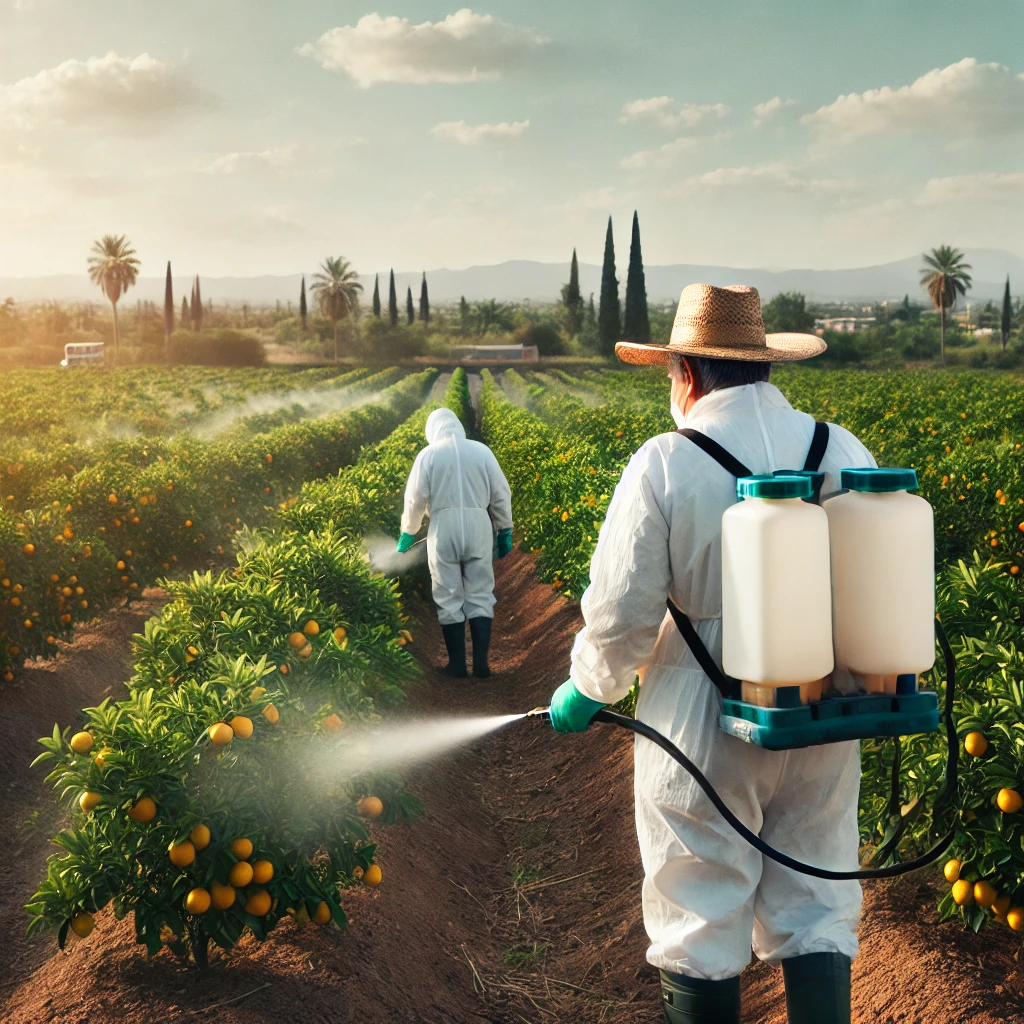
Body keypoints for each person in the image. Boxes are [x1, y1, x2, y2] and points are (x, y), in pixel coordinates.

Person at [547, 284, 876, 1024]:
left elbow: (622, 617)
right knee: (817, 894)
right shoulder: (840, 446)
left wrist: (587, 688)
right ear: (761, 366)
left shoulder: (666, 461)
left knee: (698, 906)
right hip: (824, 703)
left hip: (703, 710)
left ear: (687, 374)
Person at [398, 406, 513, 678]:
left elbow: (415, 499)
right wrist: (504, 529)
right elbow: (500, 492)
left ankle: (458, 666)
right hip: (478, 526)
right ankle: (482, 666)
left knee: (448, 594)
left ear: (432, 431)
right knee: (481, 593)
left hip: (443, 529)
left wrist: (408, 532)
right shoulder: (482, 451)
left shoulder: (428, 455)